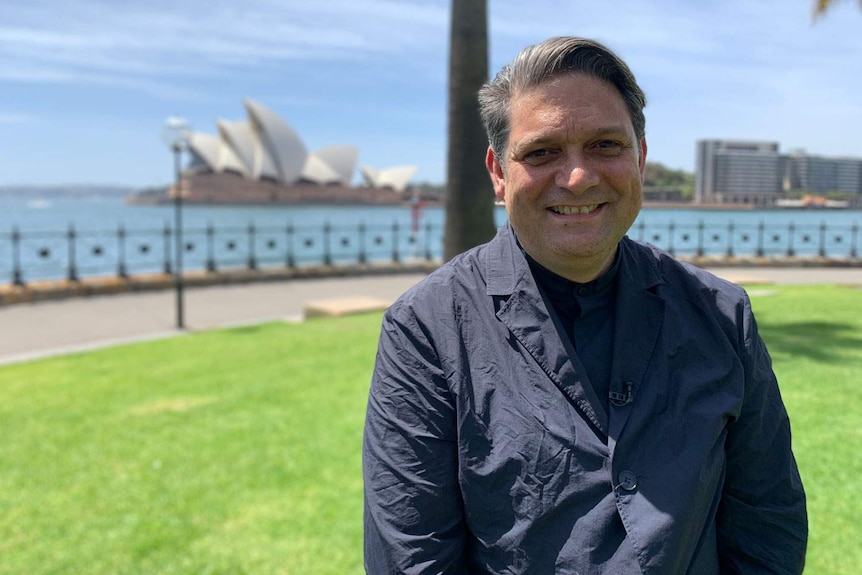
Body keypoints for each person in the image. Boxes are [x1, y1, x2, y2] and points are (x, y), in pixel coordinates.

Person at [363, 36, 807, 574]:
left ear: (639, 157)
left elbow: (767, 520)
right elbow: (413, 558)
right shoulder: (427, 330)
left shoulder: (721, 314)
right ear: (499, 173)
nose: (577, 176)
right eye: (542, 152)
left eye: (605, 145)